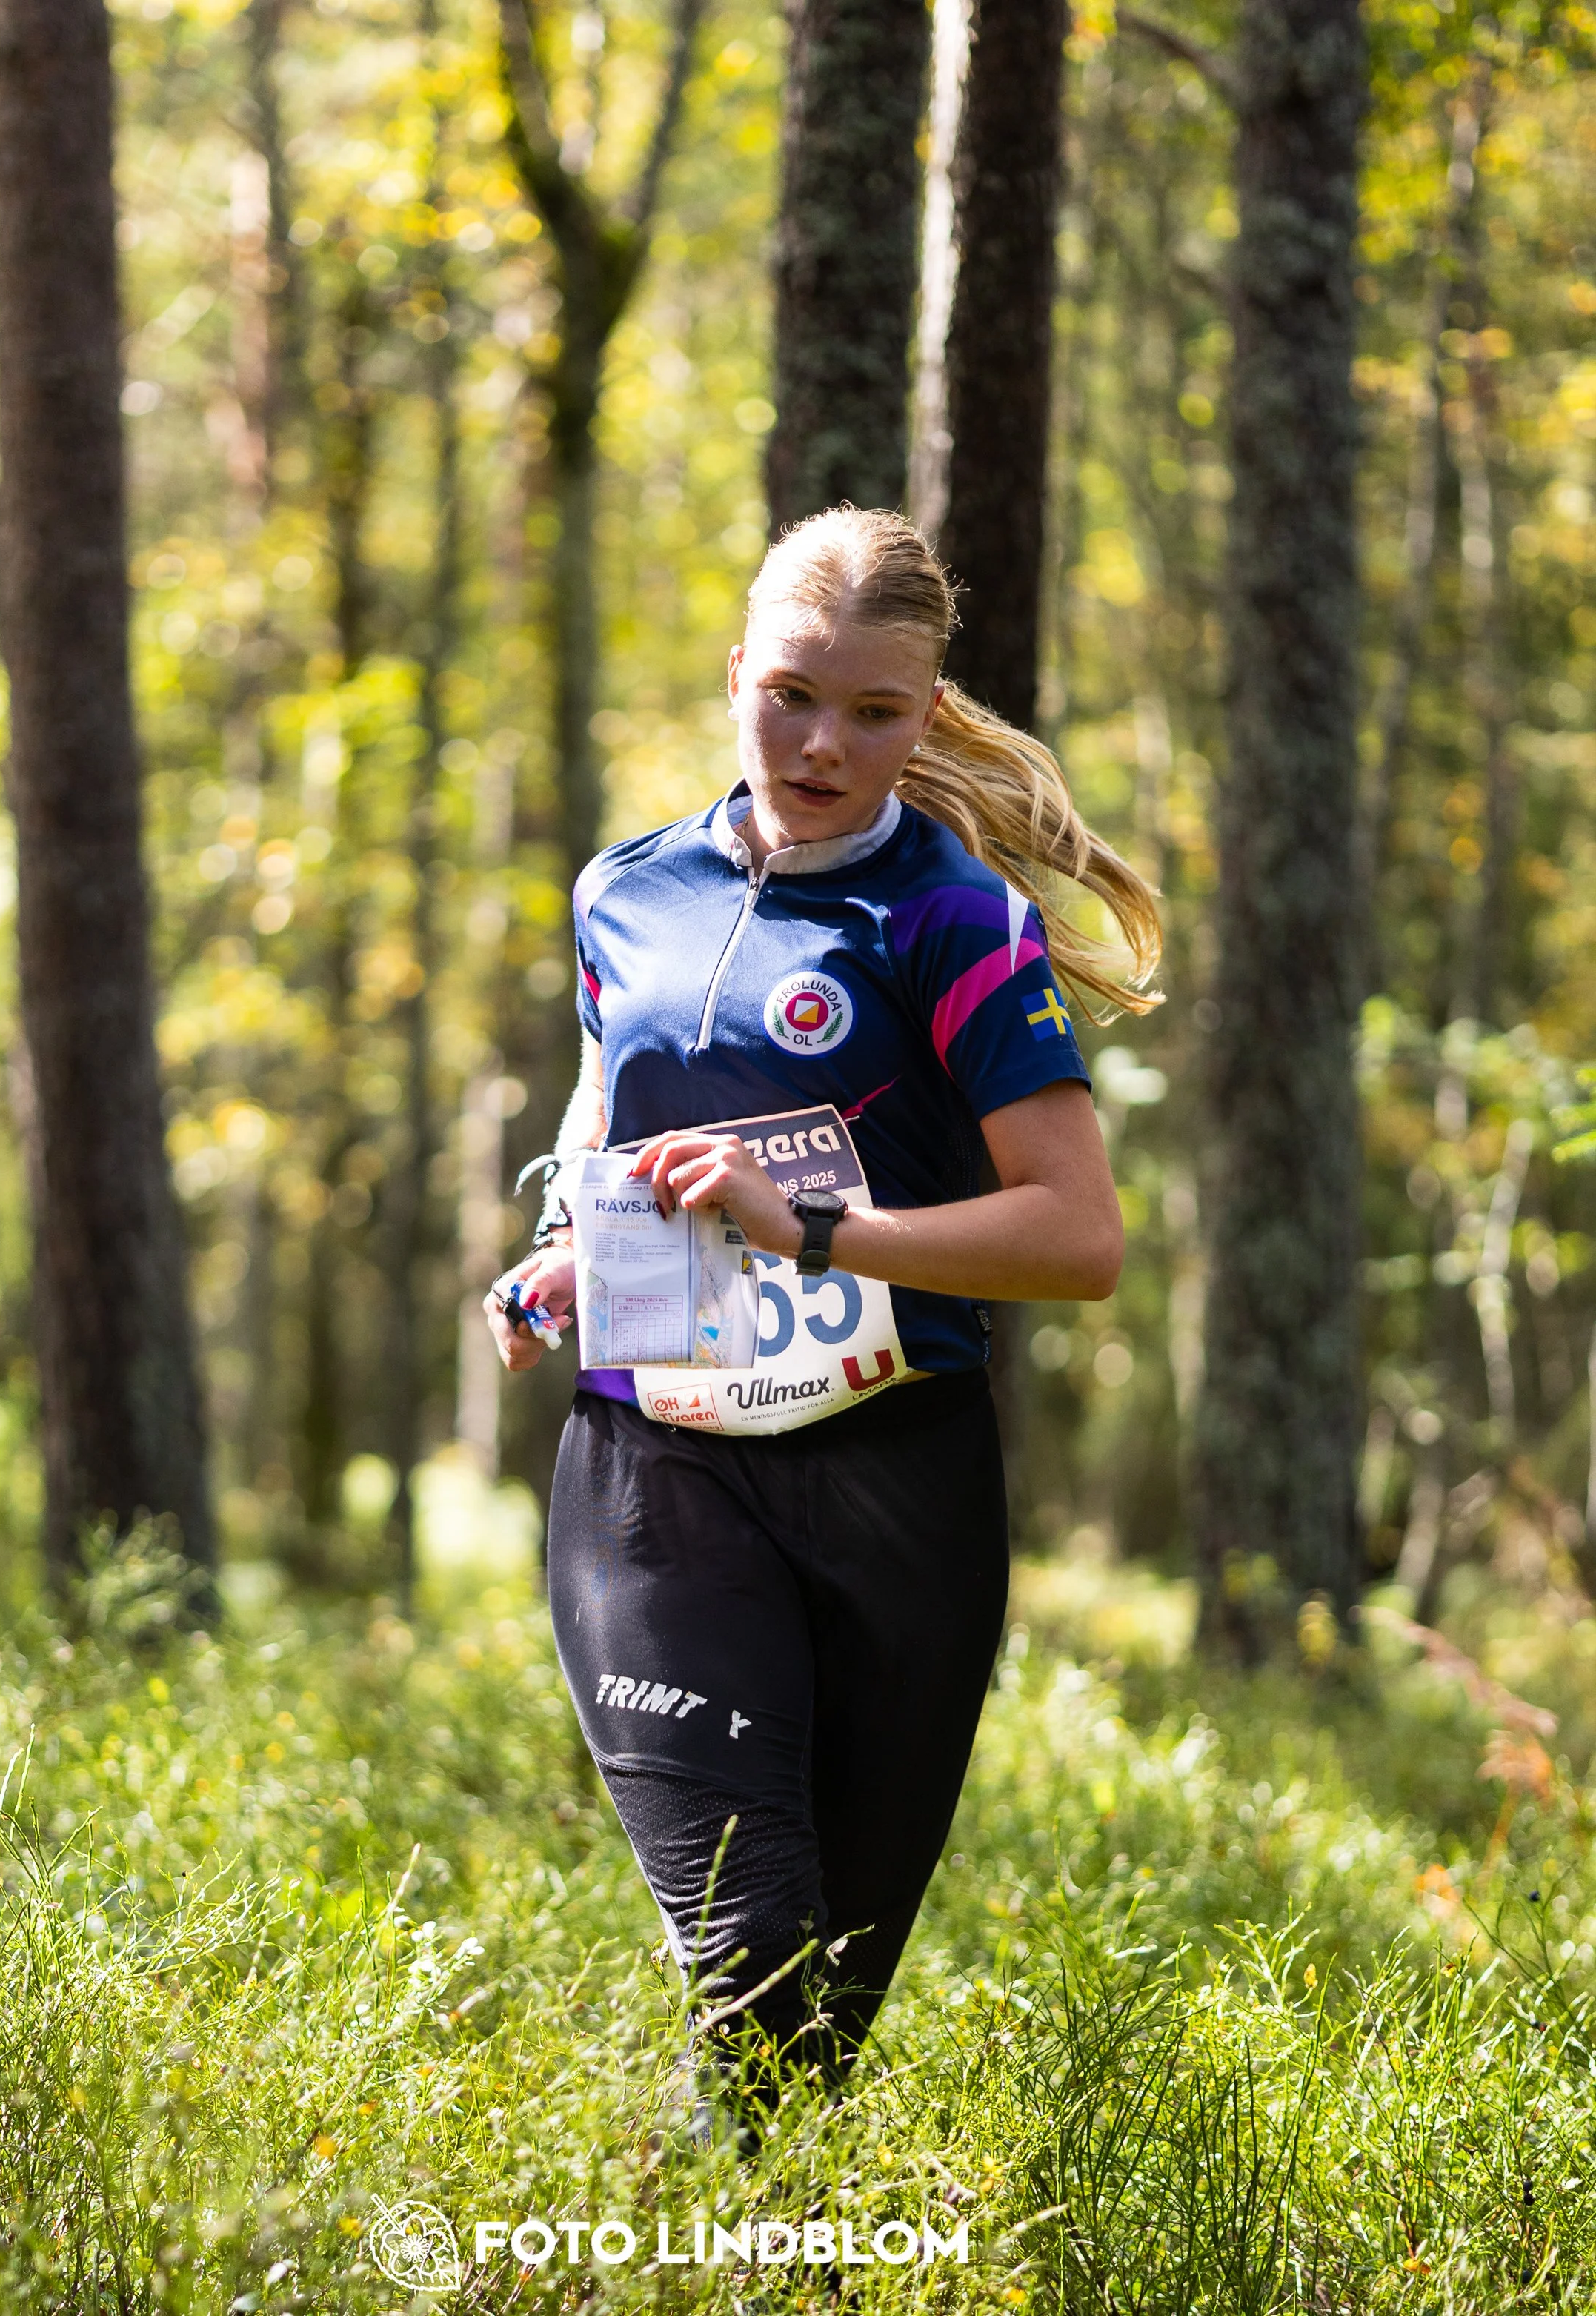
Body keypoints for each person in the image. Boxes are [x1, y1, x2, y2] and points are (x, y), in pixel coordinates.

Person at [483, 506, 1162, 2138]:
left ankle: (728, 2247)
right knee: (749, 1942)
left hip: (895, 1491)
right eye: (790, 693)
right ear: (734, 677)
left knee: (812, 2028)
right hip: (655, 1473)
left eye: (873, 710)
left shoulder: (953, 922)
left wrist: (824, 1229)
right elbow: (605, 1126)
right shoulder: (619, 895)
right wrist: (562, 1252)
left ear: (925, 717)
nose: (820, 743)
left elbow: (1075, 1238)